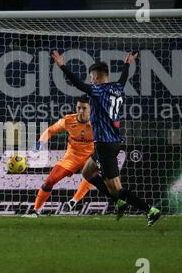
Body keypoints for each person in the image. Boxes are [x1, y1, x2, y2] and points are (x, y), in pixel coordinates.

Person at [51, 50, 161, 226]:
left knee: (117, 189)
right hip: (111, 142)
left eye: (91, 77)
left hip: (105, 145)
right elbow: (123, 78)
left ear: (95, 76)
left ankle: (150, 210)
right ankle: (119, 201)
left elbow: (78, 84)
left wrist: (62, 65)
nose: (90, 80)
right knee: (87, 172)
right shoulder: (117, 87)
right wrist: (127, 64)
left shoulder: (98, 90)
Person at [25, 97, 95, 217]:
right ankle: (35, 211)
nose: (81, 111)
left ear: (90, 109)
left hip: (90, 156)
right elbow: (50, 130)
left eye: (84, 108)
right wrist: (40, 143)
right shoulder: (68, 120)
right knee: (50, 181)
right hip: (72, 156)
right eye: (79, 108)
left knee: (94, 176)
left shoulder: (97, 122)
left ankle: (74, 201)